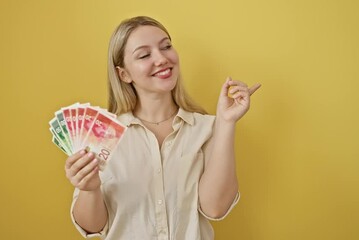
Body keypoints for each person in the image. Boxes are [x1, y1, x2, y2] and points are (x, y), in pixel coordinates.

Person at [64, 16, 261, 239]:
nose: (161, 58)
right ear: (124, 74)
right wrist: (89, 188)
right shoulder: (102, 133)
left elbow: (215, 208)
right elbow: (92, 227)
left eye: (166, 46)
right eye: (144, 55)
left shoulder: (207, 128)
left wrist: (226, 122)